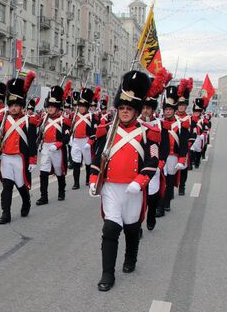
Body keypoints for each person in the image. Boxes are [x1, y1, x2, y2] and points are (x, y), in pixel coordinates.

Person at [89, 70, 160, 292]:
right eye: (122, 108)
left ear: (136, 111)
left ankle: (131, 258)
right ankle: (107, 274)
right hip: (111, 187)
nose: (125, 111)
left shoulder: (149, 133)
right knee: (110, 229)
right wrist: (93, 179)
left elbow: (153, 160)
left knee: (131, 228)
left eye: (129, 108)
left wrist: (140, 181)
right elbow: (97, 158)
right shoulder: (106, 131)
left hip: (134, 190)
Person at [0, 72, 38, 224]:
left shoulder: (29, 121)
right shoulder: (3, 119)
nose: (13, 108)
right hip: (6, 157)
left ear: (21, 106)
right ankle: (6, 213)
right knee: (7, 186)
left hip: (20, 158)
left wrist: (32, 160)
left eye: (16, 105)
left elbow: (32, 142)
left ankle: (26, 201)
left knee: (21, 185)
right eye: (11, 105)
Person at [139, 69, 171, 231]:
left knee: (152, 196)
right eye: (143, 107)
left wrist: (161, 162)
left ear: (153, 109)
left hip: (155, 166)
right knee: (138, 198)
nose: (145, 111)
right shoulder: (135, 124)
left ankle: (151, 214)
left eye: (148, 108)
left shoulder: (160, 125)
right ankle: (137, 226)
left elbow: (165, 146)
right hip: (138, 166)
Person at [156, 85, 189, 216]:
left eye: (170, 109)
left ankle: (166, 203)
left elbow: (184, 144)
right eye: (166, 109)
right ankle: (159, 204)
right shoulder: (159, 123)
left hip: (173, 156)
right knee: (159, 180)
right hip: (161, 156)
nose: (168, 112)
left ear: (174, 110)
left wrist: (182, 159)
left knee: (169, 181)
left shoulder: (181, 125)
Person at [37, 85, 71, 205]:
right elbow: (38, 132)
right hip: (46, 147)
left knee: (58, 171)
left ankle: (61, 192)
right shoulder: (43, 119)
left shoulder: (64, 121)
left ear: (57, 108)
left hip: (57, 149)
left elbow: (66, 137)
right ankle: (43, 196)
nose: (50, 109)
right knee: (43, 172)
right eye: (49, 106)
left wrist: (57, 145)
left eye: (52, 107)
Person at [70, 87, 97, 189]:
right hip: (76, 141)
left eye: (83, 106)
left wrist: (89, 142)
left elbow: (94, 132)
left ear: (87, 107)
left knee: (88, 162)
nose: (81, 108)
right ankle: (76, 183)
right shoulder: (74, 116)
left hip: (86, 141)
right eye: (80, 106)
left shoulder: (91, 117)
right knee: (76, 162)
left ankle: (88, 180)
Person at [175, 78, 193, 196]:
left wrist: (188, 145)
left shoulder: (189, 119)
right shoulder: (172, 118)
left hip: (184, 147)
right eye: (179, 105)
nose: (181, 108)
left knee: (184, 168)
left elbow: (192, 134)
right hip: (173, 147)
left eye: (183, 106)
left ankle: (182, 186)